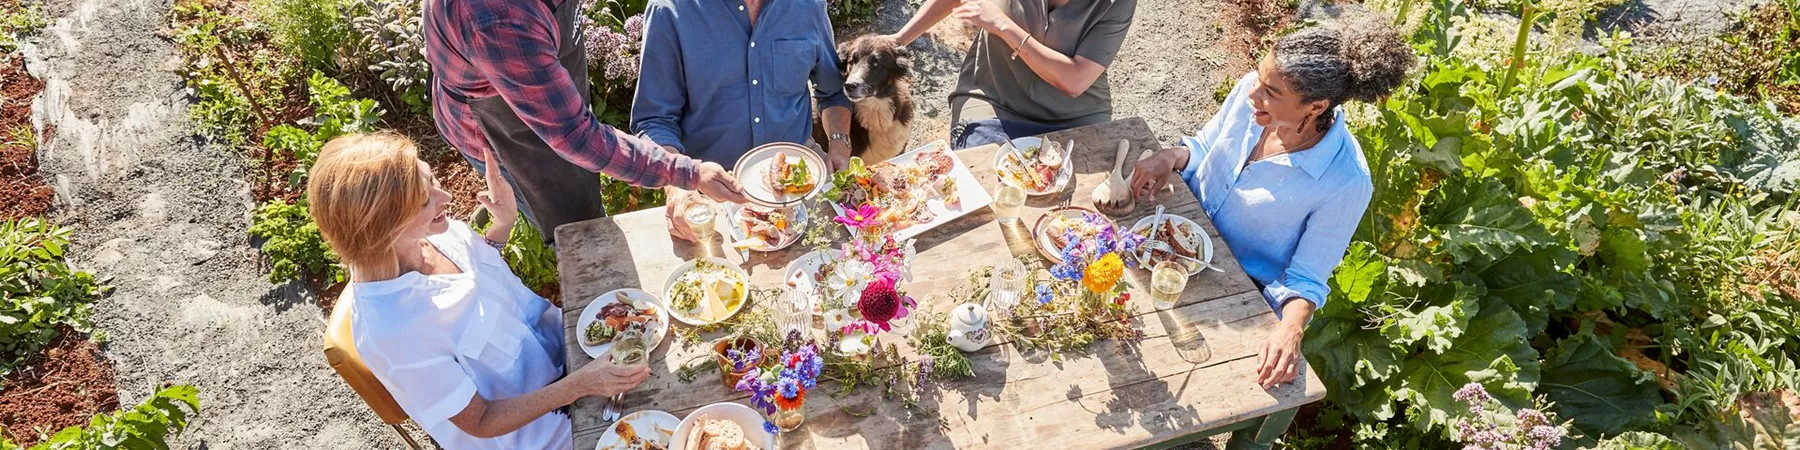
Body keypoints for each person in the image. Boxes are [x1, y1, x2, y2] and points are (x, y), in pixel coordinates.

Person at [308, 133, 648, 449]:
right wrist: (583, 385)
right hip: (544, 433)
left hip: (576, 353)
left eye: (434, 181)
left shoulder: (431, 235)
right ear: (385, 227)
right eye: (426, 201)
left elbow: (473, 290)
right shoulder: (393, 331)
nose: (446, 197)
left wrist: (502, 227)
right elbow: (480, 419)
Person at [1128, 16, 1414, 389]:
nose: (1253, 94)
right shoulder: (1253, 94)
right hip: (1164, 237)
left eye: (1271, 92)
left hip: (1231, 292)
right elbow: (1203, 147)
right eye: (1259, 78)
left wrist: (1290, 330)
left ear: (1316, 107)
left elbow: (1306, 280)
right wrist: (1172, 156)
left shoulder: (1346, 181)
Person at [423, 0, 748, 245]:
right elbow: (576, 136)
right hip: (502, 127)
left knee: (585, 191)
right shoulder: (497, 18)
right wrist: (686, 173)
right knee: (576, 230)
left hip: (542, 84)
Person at [631, 0, 855, 241]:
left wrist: (839, 143)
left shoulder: (807, 5)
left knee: (847, 261)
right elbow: (654, 119)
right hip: (709, 185)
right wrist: (678, 185)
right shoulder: (670, 10)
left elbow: (832, 92)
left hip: (801, 172)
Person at [884, 0, 1137, 149]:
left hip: (1077, 115)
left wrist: (1004, 27)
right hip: (993, 102)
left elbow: (1075, 80)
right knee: (984, 202)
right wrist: (897, 41)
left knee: (1084, 218)